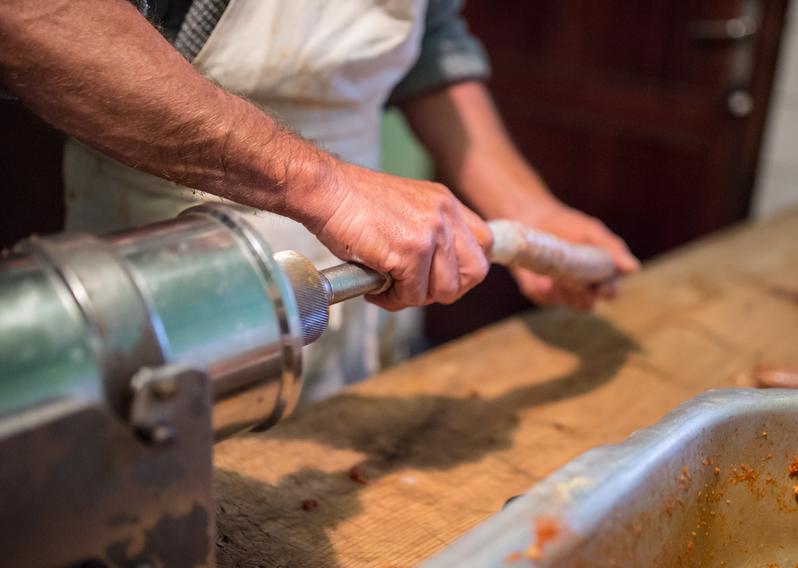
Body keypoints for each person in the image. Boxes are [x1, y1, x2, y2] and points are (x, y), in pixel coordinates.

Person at [0, 0, 639, 398]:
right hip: (169, 287)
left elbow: (431, 45)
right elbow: (33, 14)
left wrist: (530, 214)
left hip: (369, 287)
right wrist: (327, 190)